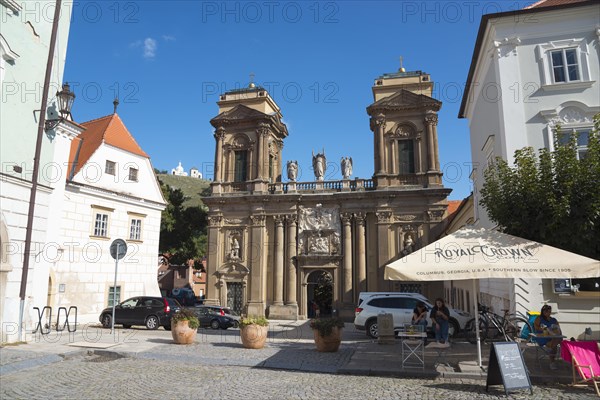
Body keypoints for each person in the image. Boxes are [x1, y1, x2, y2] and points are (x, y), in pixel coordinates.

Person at [533, 304, 561, 370]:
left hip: (552, 338)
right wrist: (544, 329)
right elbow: (536, 328)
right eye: (546, 312)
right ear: (543, 312)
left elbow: (558, 329)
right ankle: (552, 362)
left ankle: (551, 351)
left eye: (549, 312)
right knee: (554, 346)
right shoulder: (539, 318)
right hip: (542, 337)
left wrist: (554, 329)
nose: (548, 313)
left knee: (556, 340)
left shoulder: (553, 320)